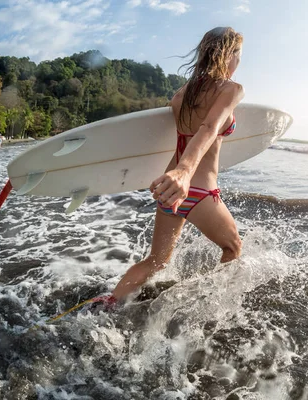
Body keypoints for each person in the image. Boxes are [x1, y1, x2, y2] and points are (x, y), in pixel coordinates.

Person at [109, 27, 245, 304]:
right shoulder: (232, 89)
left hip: (168, 189)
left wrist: (178, 174)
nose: (239, 61)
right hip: (196, 189)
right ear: (229, 55)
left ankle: (109, 304)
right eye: (238, 55)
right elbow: (208, 128)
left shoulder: (182, 94)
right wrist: (185, 171)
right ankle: (212, 306)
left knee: (157, 261)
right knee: (233, 248)